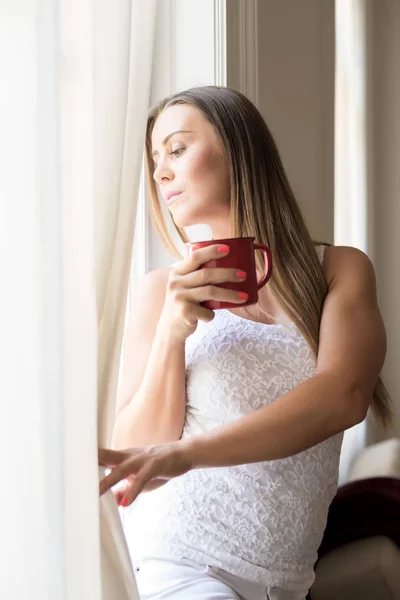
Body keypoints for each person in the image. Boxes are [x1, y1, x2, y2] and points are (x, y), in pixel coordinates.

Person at [98, 86, 391, 600]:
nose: (161, 171)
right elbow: (137, 451)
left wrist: (188, 453)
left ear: (238, 149)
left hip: (288, 579)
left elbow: (343, 396)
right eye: (155, 158)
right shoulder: (157, 291)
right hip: (179, 559)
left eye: (177, 148)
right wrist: (171, 332)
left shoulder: (339, 270)